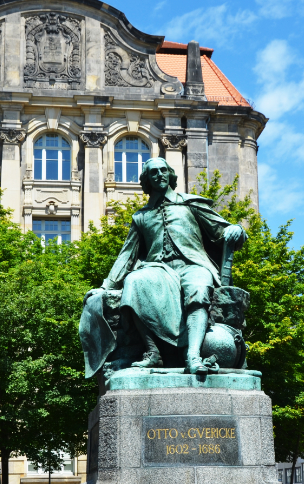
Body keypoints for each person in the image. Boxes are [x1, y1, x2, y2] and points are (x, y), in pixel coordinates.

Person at [99, 157, 246, 374]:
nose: (159, 175)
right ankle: (153, 353)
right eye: (153, 172)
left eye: (163, 170)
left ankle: (193, 356)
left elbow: (222, 230)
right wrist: (106, 286)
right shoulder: (141, 217)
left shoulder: (190, 204)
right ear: (147, 180)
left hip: (192, 264)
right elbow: (126, 256)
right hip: (158, 268)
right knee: (133, 281)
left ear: (170, 174)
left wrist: (236, 229)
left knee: (198, 288)